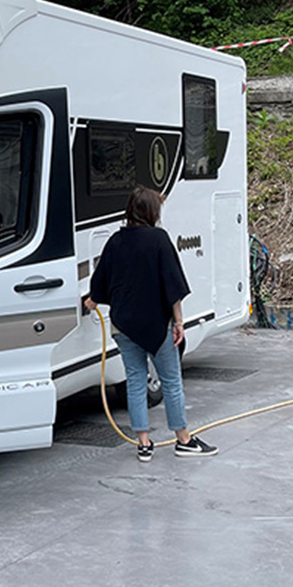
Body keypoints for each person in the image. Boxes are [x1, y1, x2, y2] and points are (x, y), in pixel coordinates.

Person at [84, 187, 218, 462]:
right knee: (170, 381)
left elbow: (99, 283)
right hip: (157, 327)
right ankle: (183, 440)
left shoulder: (115, 241)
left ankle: (143, 444)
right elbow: (173, 285)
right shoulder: (159, 239)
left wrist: (93, 301)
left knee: (135, 381)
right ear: (151, 211)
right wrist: (179, 322)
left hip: (123, 326)